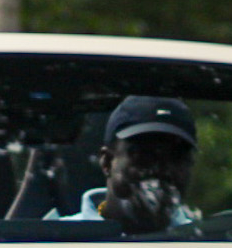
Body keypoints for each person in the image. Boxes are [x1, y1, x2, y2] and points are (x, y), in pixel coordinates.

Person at [52, 95, 201, 233]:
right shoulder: (58, 240)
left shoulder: (205, 244)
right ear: (107, 162)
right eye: (144, 155)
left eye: (176, 157)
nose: (160, 168)